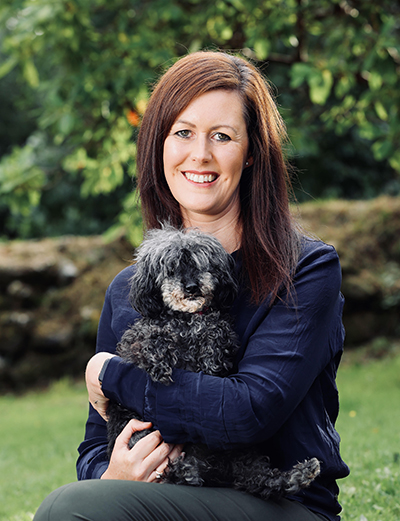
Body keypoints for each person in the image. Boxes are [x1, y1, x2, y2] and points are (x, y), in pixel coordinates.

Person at [33, 51, 349, 521]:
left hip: (281, 504)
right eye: (183, 132)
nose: (200, 154)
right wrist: (111, 475)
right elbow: (95, 440)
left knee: (67, 508)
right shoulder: (128, 289)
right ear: (158, 145)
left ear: (252, 153)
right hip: (167, 496)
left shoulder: (304, 269)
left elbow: (247, 412)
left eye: (221, 136)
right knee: (87, 497)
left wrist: (110, 374)